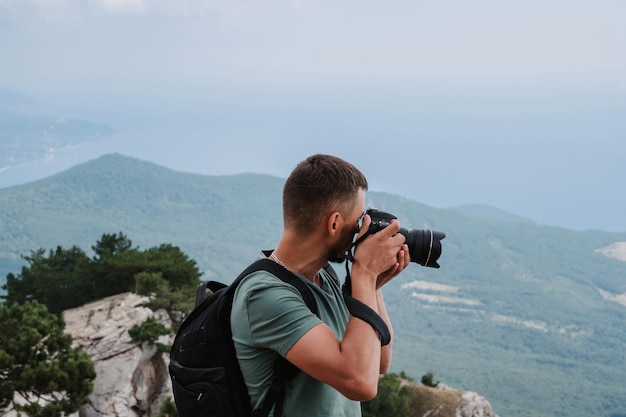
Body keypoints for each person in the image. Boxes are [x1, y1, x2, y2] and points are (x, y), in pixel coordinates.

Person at [230, 154, 410, 417]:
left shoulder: (324, 277)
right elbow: (361, 383)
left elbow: (379, 362)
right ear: (334, 223)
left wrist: (373, 284)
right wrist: (365, 272)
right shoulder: (265, 295)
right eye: (359, 220)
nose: (362, 231)